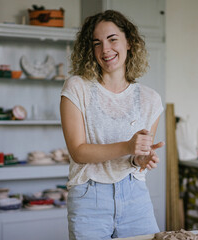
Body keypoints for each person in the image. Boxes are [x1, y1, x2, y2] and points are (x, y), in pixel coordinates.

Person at [60, 10, 164, 240]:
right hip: (89, 197)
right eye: (97, 42)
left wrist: (142, 159)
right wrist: (129, 147)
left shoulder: (151, 99)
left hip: (135, 196)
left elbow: (136, 158)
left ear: (129, 42)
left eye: (112, 39)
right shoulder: (77, 88)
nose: (105, 49)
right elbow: (78, 151)